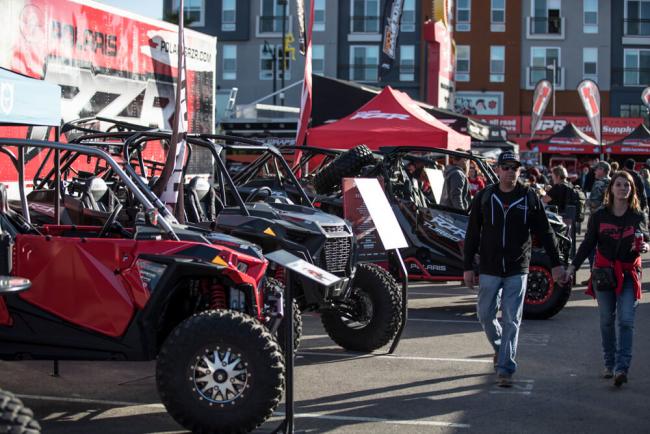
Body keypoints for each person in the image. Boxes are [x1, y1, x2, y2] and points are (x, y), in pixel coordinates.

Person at [463, 151, 565, 387]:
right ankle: (500, 348)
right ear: (497, 170)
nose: (510, 171)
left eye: (514, 168)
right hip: (489, 267)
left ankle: (506, 368)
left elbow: (546, 232)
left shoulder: (529, 197)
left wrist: (557, 264)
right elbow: (472, 233)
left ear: (520, 171)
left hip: (518, 268)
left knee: (512, 318)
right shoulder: (485, 196)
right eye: (506, 167)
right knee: (485, 315)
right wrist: (468, 266)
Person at [564, 171, 649, 387]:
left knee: (627, 321)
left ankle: (622, 368)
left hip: (629, 273)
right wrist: (572, 267)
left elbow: (644, 238)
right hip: (604, 274)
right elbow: (588, 244)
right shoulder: (600, 216)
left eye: (627, 185)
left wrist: (645, 246)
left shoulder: (637, 216)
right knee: (606, 320)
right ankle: (609, 363)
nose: (623, 188)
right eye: (619, 184)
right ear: (611, 189)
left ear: (632, 190)